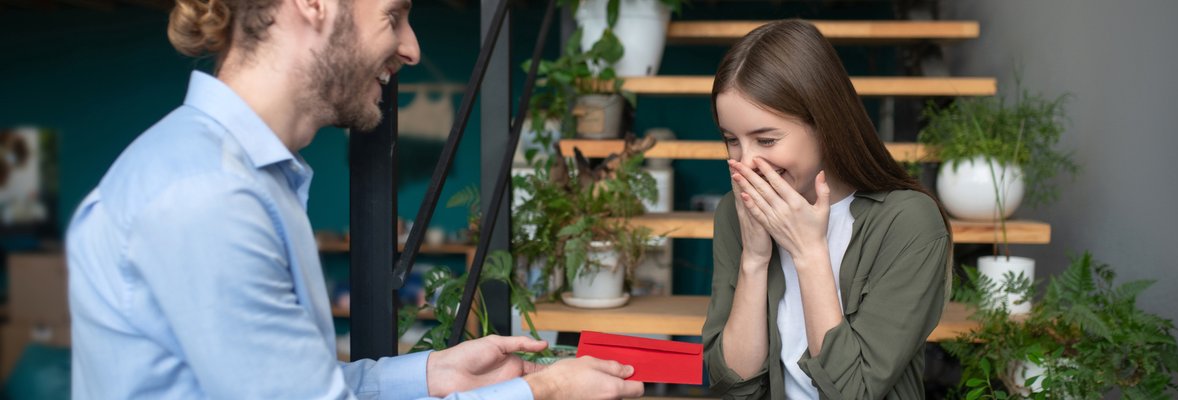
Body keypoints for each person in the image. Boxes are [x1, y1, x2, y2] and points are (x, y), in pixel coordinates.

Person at [65, 0, 645, 398]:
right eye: (393, 15)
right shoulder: (207, 195)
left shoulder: (248, 177)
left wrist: (435, 373)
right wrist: (537, 391)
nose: (411, 48)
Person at [701, 19, 953, 399]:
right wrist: (754, 259)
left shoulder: (908, 223)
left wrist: (808, 252)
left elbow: (855, 392)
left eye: (766, 140)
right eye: (731, 140)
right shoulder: (736, 212)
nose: (746, 163)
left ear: (825, 123)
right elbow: (731, 385)